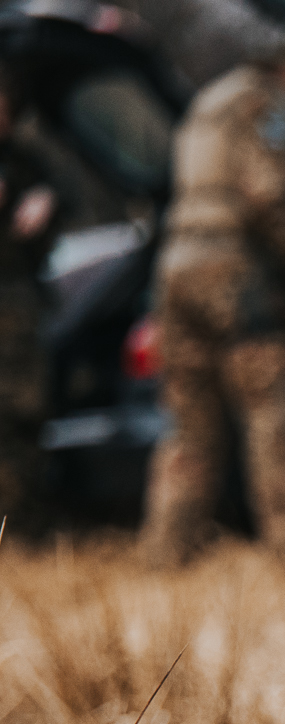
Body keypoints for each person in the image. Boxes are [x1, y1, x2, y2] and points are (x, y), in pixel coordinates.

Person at [139, 32, 285, 571]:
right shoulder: (268, 104)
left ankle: (164, 555)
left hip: (177, 269)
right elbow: (267, 196)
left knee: (190, 425)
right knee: (271, 411)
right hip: (230, 271)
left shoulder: (214, 99)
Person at [0, 62, 58, 531]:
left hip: (17, 306)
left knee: (24, 415)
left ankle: (18, 524)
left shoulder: (25, 160)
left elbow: (67, 193)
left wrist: (46, 200)